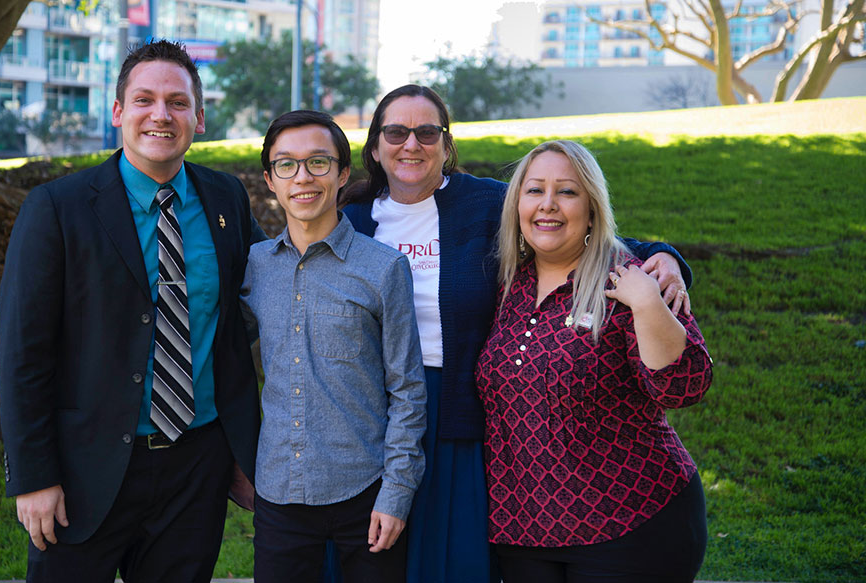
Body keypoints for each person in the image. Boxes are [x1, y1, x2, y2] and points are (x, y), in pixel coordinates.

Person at [339, 84, 693, 583]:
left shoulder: (485, 202)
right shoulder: (352, 219)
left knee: (447, 560)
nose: (411, 144)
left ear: (447, 144)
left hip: (457, 411)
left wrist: (665, 256)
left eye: (427, 132)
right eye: (396, 132)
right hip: (377, 417)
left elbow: (567, 224)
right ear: (375, 146)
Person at [0, 40, 263, 582]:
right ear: (118, 112)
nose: (160, 115)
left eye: (177, 102)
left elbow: (263, 302)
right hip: (82, 472)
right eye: (143, 100)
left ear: (200, 117)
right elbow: (22, 353)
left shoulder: (226, 199)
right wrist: (33, 476)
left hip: (196, 467)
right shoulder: (57, 208)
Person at [476, 140, 712, 582]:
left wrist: (648, 305)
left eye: (566, 191)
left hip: (631, 522)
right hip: (523, 532)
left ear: (591, 207)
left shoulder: (630, 276)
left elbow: (685, 387)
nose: (548, 205)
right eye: (534, 191)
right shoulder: (503, 284)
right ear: (516, 205)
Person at [241, 110, 426, 583]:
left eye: (318, 163)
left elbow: (407, 391)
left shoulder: (384, 269)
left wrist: (396, 493)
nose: (303, 178)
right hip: (279, 490)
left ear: (343, 174)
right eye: (286, 165)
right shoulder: (255, 267)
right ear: (269, 181)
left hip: (365, 491)